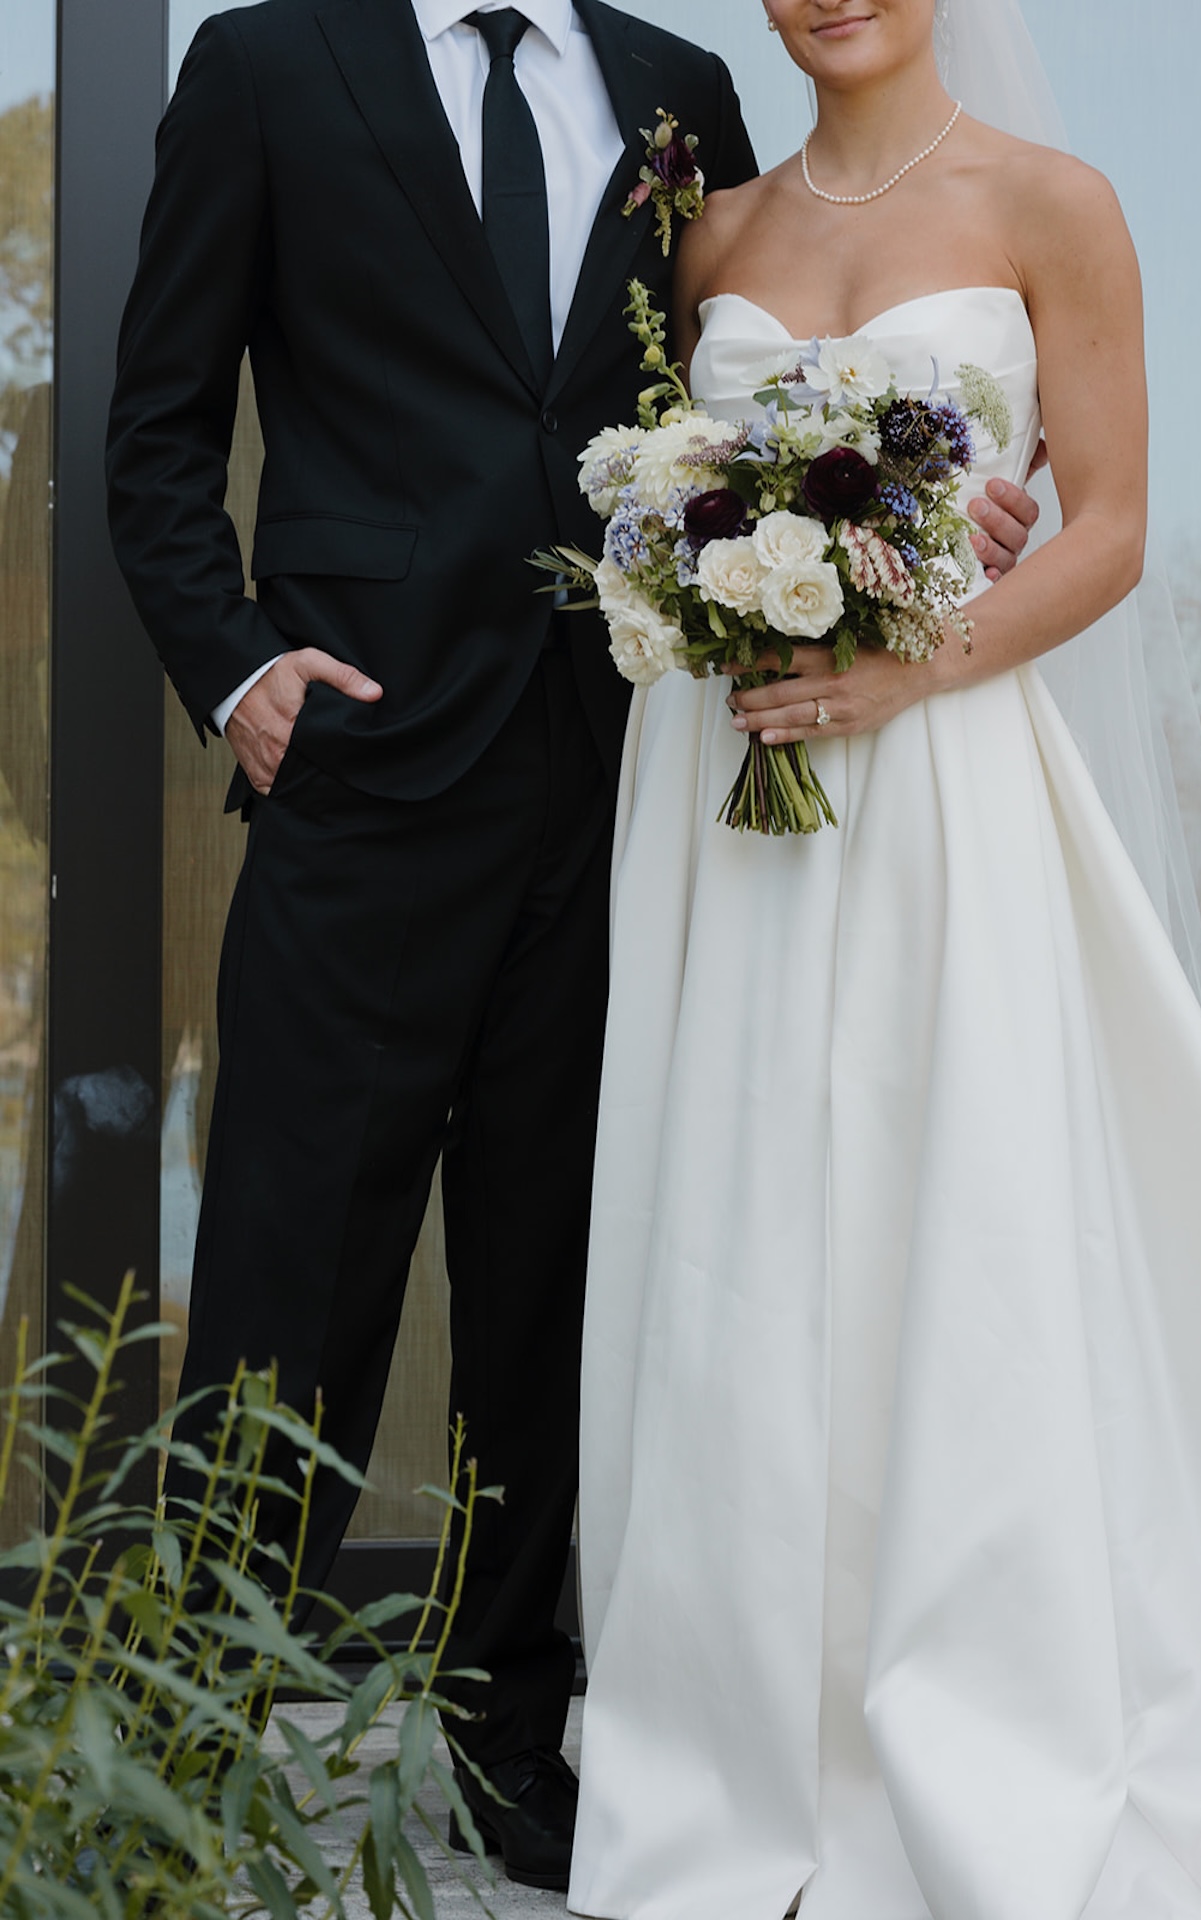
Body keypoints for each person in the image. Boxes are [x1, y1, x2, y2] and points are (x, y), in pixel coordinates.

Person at [103, 0, 1037, 1893]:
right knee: (296, 1277)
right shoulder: (269, 67)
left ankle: (515, 1734)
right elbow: (155, 433)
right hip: (361, 778)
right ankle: (194, 1742)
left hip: (623, 792)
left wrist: (935, 513)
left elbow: (742, 406)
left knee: (555, 1297)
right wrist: (243, 673)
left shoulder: (679, 92)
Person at [569, 2, 1201, 1917]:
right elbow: (639, 477)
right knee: (733, 1224)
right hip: (720, 802)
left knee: (936, 1201)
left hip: (940, 781)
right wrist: (686, 549)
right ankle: (733, 1725)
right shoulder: (705, 237)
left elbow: (1111, 525)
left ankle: (962, 1701)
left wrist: (908, 657)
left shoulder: (1057, 205)